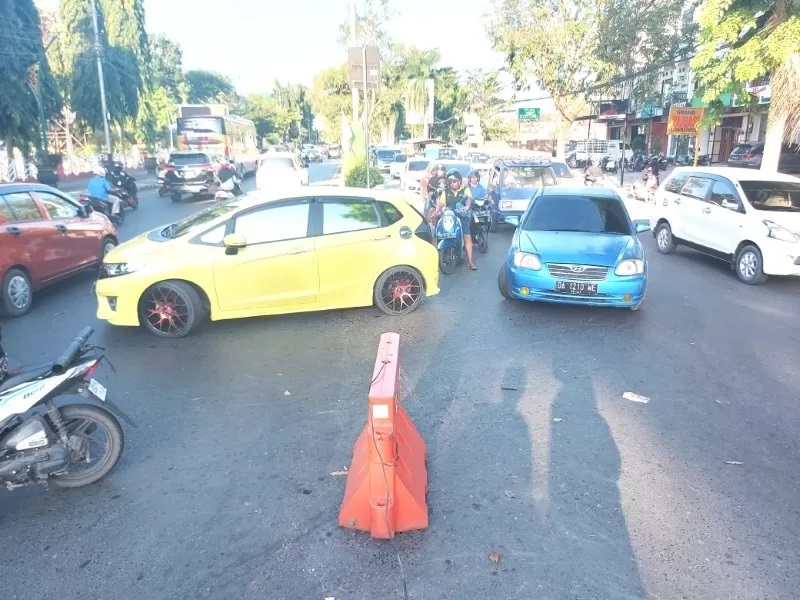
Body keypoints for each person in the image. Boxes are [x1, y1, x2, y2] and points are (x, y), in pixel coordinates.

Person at [437, 169, 477, 270]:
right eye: (450, 181)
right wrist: (437, 210)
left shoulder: (465, 190)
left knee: (467, 236)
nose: (452, 183)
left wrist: (466, 207)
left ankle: (470, 261)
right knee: (440, 229)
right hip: (450, 216)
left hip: (462, 215)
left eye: (454, 181)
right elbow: (441, 203)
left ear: (459, 181)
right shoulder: (445, 192)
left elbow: (468, 199)